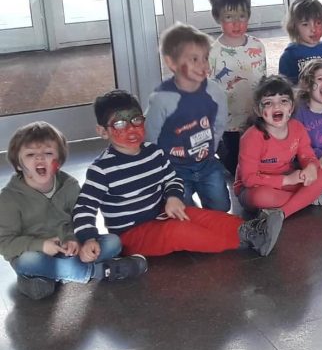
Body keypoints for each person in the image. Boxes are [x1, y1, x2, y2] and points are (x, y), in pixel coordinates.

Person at [74, 90, 284, 258]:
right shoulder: (101, 169)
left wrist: (173, 197)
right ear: (103, 131)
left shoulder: (154, 152)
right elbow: (84, 208)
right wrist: (88, 238)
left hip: (161, 215)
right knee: (179, 232)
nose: (131, 129)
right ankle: (244, 241)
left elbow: (172, 179)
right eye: (120, 124)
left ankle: (251, 228)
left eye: (136, 120)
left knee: (199, 215)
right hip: (131, 235)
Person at [1, 122, 148, 301]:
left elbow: (78, 219)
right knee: (28, 262)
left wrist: (75, 240)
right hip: (35, 253)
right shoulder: (9, 198)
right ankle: (100, 271)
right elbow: (4, 243)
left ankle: (51, 276)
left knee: (113, 242)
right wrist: (41, 245)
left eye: (48, 153)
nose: (40, 159)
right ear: (18, 164)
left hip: (69, 250)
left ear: (58, 162)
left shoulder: (69, 185)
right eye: (30, 154)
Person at [145, 23, 230, 212]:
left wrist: (210, 148)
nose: (203, 65)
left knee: (221, 207)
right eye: (194, 59)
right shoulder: (162, 98)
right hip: (174, 169)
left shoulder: (214, 91)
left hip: (206, 163)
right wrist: (158, 169)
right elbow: (150, 135)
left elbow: (220, 123)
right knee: (184, 213)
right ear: (171, 63)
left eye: (205, 58)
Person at [236, 75, 322, 216]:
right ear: (258, 110)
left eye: (283, 101)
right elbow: (248, 179)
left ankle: (282, 213)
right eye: (268, 103)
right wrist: (287, 180)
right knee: (260, 197)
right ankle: (309, 198)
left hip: (287, 179)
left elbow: (308, 156)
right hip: (255, 187)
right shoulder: (251, 138)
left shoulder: (297, 127)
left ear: (291, 107)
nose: (277, 106)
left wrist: (311, 167)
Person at [208, 0, 266, 177]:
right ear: (218, 17)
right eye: (229, 17)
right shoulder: (213, 52)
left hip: (255, 117)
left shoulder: (257, 46)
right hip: (228, 122)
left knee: (257, 160)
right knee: (235, 165)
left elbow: (263, 80)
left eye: (241, 16)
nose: (236, 23)